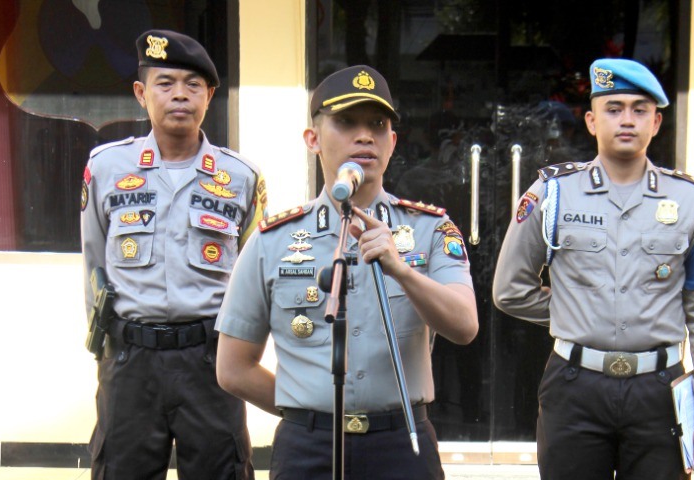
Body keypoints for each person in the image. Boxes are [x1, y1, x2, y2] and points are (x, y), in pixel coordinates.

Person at [214, 65, 479, 480]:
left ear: (392, 142)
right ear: (313, 139)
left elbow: (465, 326)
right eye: (345, 122)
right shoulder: (273, 240)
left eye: (377, 124)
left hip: (401, 444)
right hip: (308, 447)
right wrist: (305, 408)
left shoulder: (431, 230)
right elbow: (233, 368)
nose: (364, 136)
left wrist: (401, 270)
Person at [492, 58, 694, 480]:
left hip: (659, 391)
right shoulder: (552, 193)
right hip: (574, 387)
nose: (627, 120)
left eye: (640, 110)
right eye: (613, 108)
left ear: (656, 122)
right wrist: (577, 310)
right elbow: (510, 289)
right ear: (590, 120)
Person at [80, 29, 266, 480]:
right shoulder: (105, 169)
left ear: (210, 96)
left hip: (211, 362)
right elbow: (93, 264)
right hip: (130, 361)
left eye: (193, 84)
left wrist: (243, 359)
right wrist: (105, 351)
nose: (179, 95)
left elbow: (255, 280)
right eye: (165, 83)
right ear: (142, 93)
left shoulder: (242, 178)